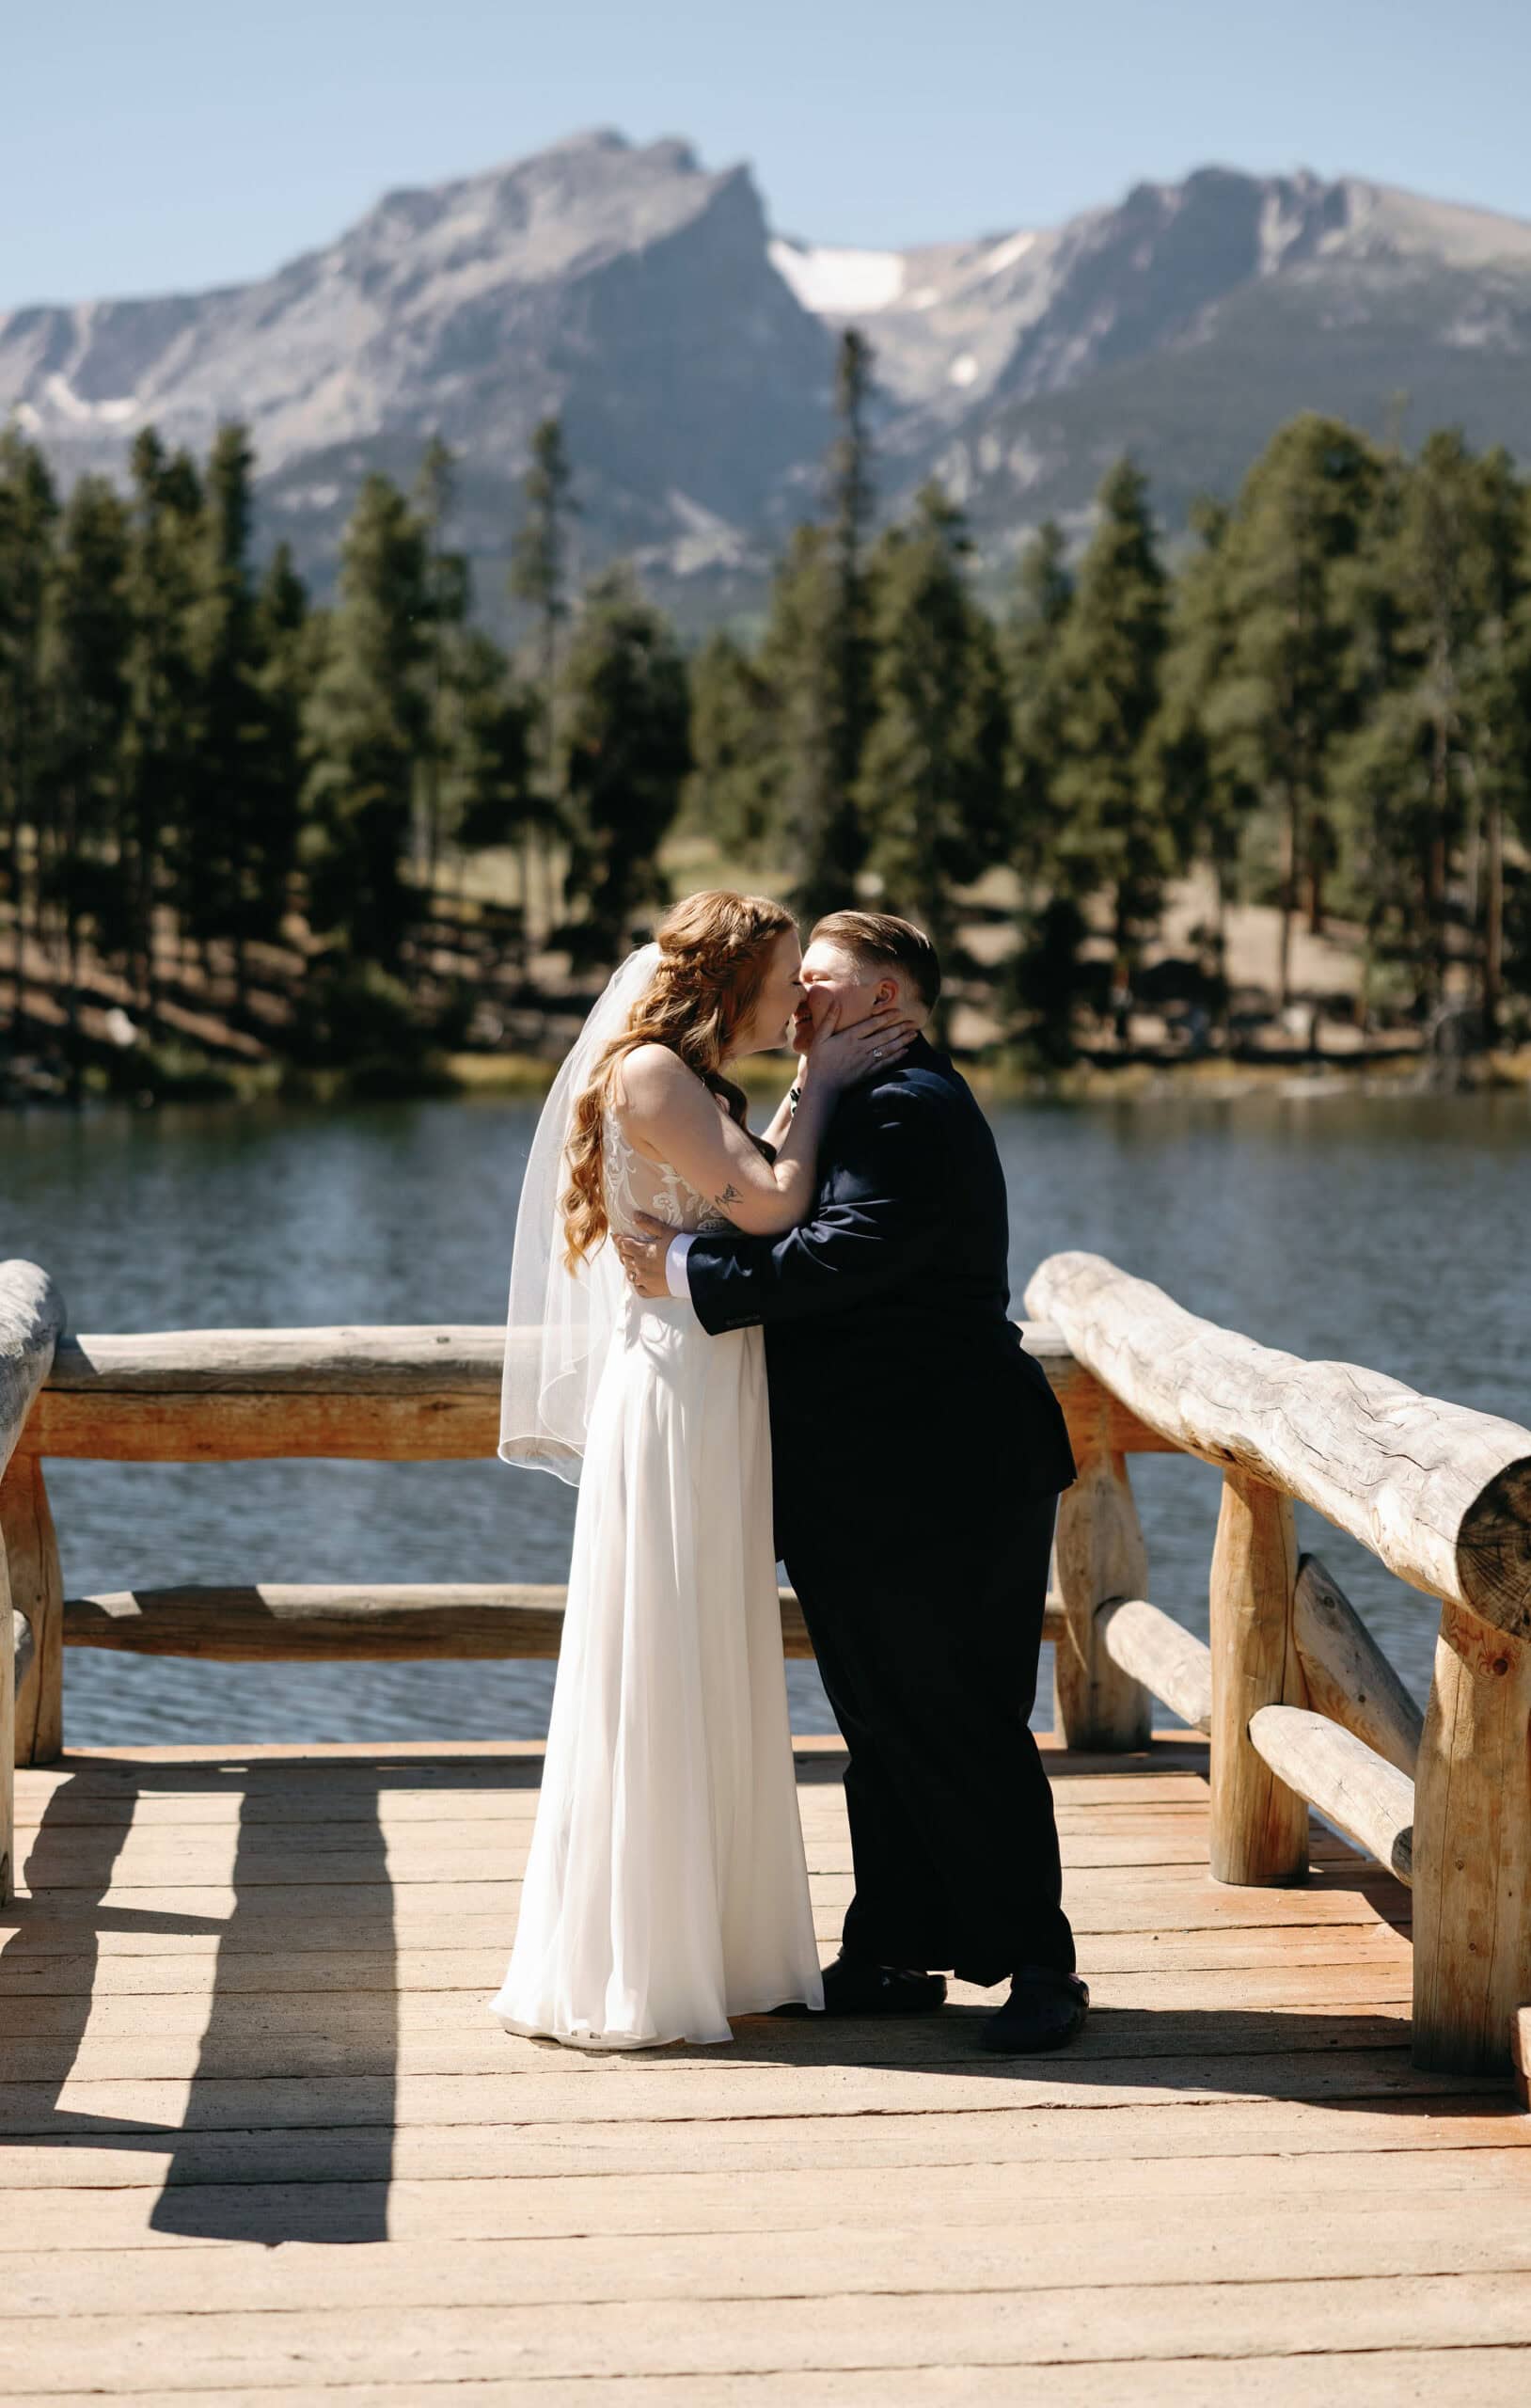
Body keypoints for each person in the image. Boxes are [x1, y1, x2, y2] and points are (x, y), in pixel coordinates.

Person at [616, 911, 1085, 2054]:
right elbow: (787, 1203)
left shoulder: (906, 1106)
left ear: (885, 998)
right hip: (860, 1475)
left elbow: (845, 1254)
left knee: (963, 1718)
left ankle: (1040, 1965)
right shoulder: (848, 1099)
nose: (797, 1002)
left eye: (818, 983)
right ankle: (890, 1946)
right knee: (880, 1718)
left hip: (948, 1468)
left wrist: (679, 1265)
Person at [491, 891, 916, 2050]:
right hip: (675, 1387)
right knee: (667, 1643)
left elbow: (753, 1183)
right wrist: (824, 1085)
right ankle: (641, 1959)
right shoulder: (648, 1076)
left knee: (714, 1645)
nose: (798, 1001)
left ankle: (722, 1942)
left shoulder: (693, 1082)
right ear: (729, 979)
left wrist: (797, 1094)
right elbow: (775, 1202)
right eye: (785, 980)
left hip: (713, 1374)